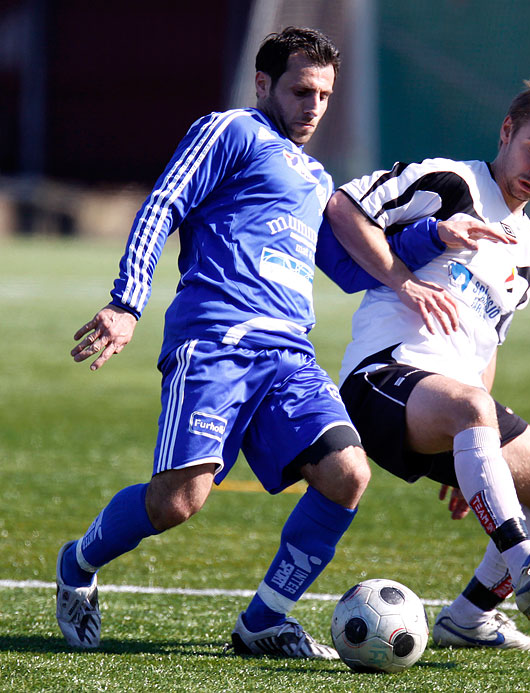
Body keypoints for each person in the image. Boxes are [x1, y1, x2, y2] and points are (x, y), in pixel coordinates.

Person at [55, 26, 420, 660]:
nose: (314, 106)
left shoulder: (315, 177)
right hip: (217, 341)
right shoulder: (231, 131)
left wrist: (437, 242)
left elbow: (349, 269)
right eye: (302, 90)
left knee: (346, 474)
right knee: (177, 503)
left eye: (325, 95)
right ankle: (78, 562)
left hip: (290, 356)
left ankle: (263, 620)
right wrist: (126, 302)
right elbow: (164, 202)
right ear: (263, 84)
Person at [325, 78, 530, 651]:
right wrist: (402, 279)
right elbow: (343, 207)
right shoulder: (451, 181)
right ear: (507, 131)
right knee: (473, 410)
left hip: (451, 402)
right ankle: (525, 563)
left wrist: (481, 451)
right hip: (380, 378)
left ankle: (467, 620)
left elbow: (485, 348)